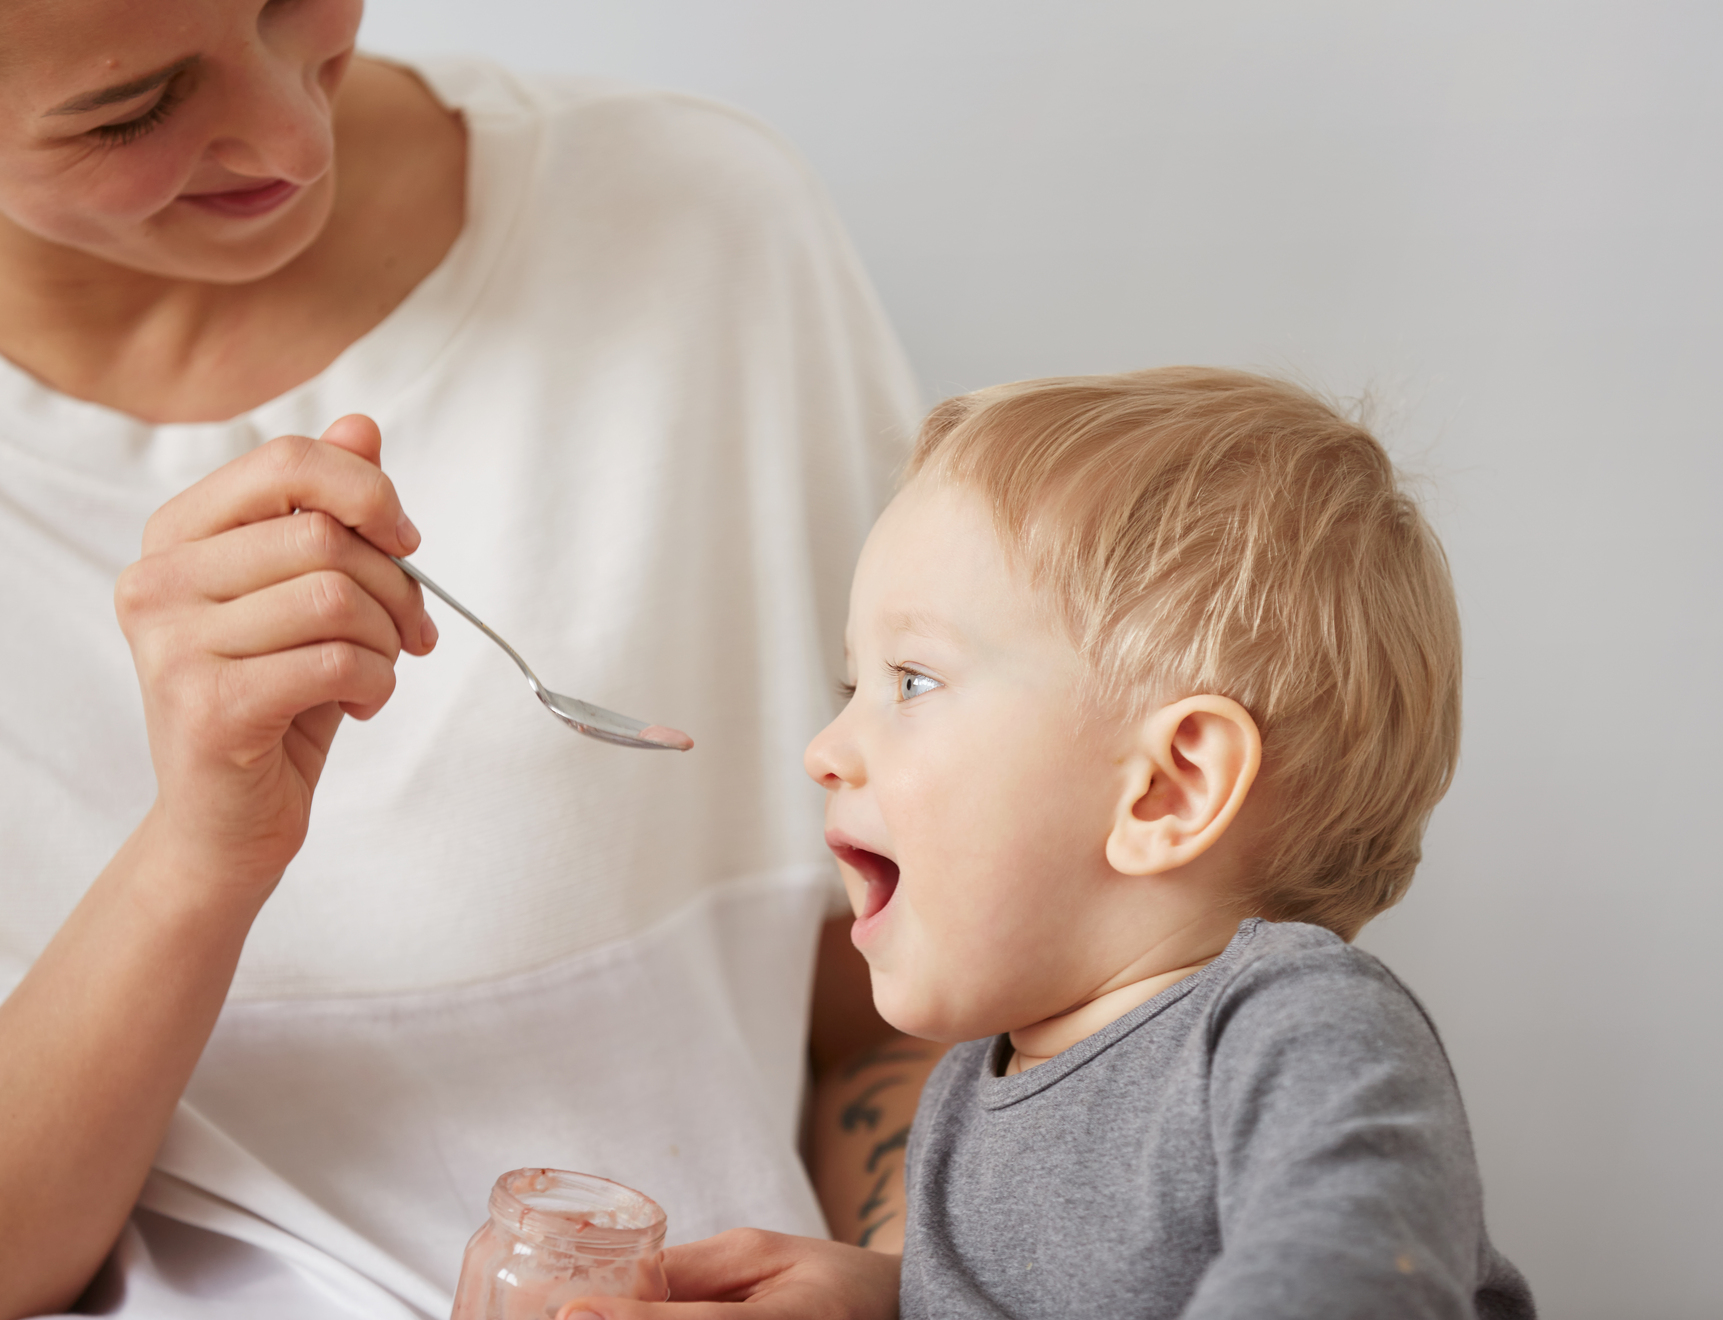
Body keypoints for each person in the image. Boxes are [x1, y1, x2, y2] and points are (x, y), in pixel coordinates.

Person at [0, 2, 932, 1317]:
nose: (290, 127)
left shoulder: (689, 228)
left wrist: (898, 1276)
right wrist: (200, 853)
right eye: (134, 107)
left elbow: (902, 1013)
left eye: (290, 2)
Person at [709, 368, 1530, 1318]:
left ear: (1168, 788)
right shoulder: (972, 1092)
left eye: (913, 681)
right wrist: (890, 1302)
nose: (826, 750)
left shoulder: (1295, 1032)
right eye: (850, 687)